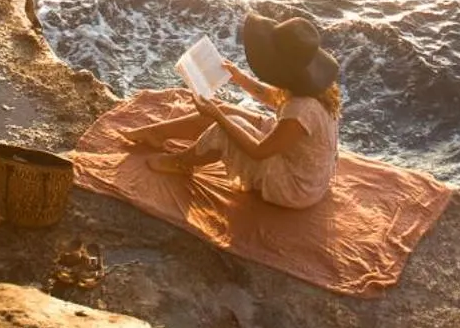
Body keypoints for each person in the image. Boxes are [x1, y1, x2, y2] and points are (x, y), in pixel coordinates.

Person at [139, 12, 341, 209]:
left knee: (225, 125)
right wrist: (239, 77)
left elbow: (259, 151)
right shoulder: (312, 90)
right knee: (225, 108)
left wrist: (218, 118)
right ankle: (158, 134)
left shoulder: (301, 108)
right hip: (299, 160)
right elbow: (275, 98)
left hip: (297, 187)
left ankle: (181, 163)